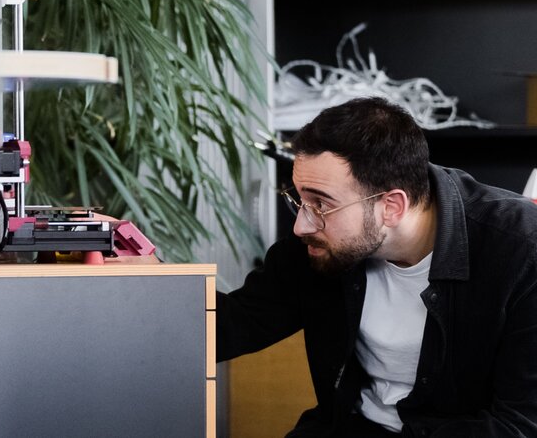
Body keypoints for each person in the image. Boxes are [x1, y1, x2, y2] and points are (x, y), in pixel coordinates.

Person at [216, 96, 537, 437]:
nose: (301, 226)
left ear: (392, 206)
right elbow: (232, 325)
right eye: (299, 200)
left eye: (321, 204)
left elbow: (519, 425)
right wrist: (160, 281)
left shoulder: (521, 251)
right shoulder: (319, 248)